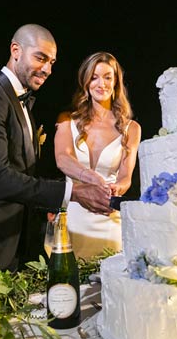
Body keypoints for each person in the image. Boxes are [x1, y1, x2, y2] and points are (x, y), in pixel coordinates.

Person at [0, 24, 112, 316]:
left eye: (52, 62)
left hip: (10, 242)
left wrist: (50, 208)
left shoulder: (23, 104)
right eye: (41, 58)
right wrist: (71, 192)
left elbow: (22, 175)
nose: (48, 69)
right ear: (15, 51)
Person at [53, 51, 141, 260]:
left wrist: (115, 189)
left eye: (107, 77)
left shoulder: (132, 129)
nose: (101, 84)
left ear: (116, 82)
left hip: (108, 217)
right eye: (94, 77)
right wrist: (91, 177)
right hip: (73, 217)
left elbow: (125, 177)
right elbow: (62, 159)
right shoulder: (67, 120)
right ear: (86, 82)